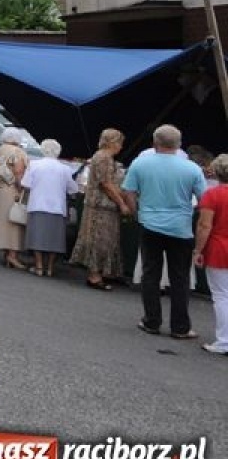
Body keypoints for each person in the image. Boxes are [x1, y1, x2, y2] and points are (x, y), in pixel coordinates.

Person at [124, 125, 208, 338]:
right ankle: (180, 327)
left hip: (150, 223)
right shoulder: (192, 169)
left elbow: (129, 192)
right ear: (179, 144)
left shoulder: (140, 163)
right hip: (180, 227)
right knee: (180, 278)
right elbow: (203, 199)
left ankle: (151, 320)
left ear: (155, 143)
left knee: (150, 273)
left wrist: (137, 213)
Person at [70, 129, 131, 289]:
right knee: (99, 240)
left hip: (104, 206)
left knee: (108, 240)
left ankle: (106, 272)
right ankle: (94, 276)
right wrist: (122, 203)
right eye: (119, 143)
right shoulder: (103, 158)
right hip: (100, 207)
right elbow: (106, 184)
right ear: (112, 142)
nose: (121, 147)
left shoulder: (104, 158)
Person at [20, 139, 79, 277]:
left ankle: (39, 266)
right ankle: (50, 268)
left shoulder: (34, 165)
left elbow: (25, 183)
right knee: (55, 240)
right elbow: (73, 189)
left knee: (37, 237)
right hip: (57, 207)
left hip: (37, 204)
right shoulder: (65, 169)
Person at [197, 154, 228, 355]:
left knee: (221, 295)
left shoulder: (212, 195)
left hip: (219, 247)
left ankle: (224, 340)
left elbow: (204, 225)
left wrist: (198, 250)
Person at [0, 128, 30, 270]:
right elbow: (19, 172)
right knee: (13, 222)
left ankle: (6, 253)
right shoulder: (18, 152)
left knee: (1, 221)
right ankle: (12, 256)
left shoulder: (0, 150)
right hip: (11, 190)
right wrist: (20, 189)